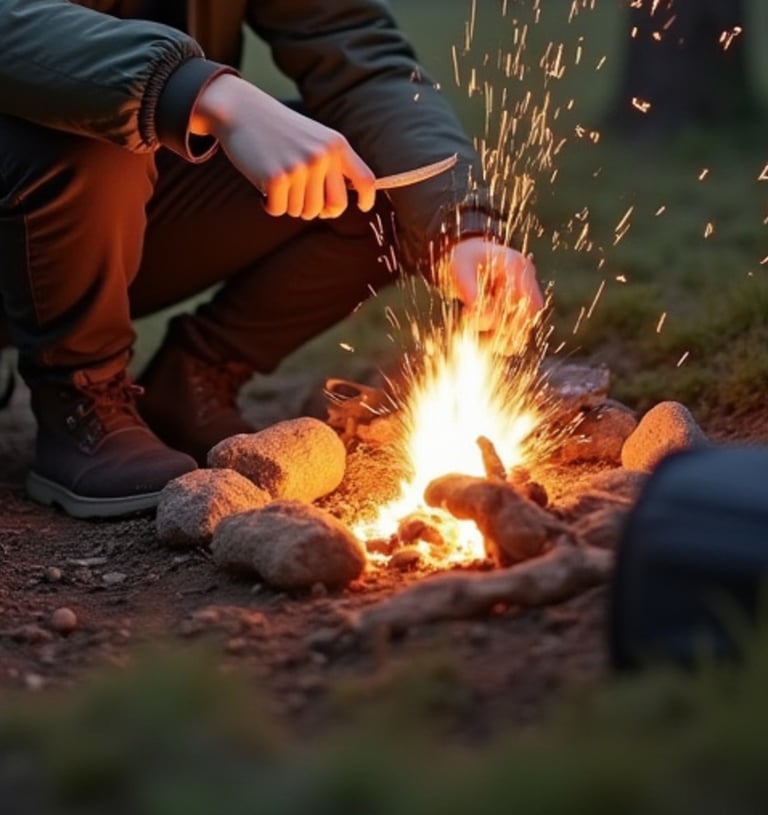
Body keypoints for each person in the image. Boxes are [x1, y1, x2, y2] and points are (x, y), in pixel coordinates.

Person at [0, 0, 543, 519]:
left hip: (126, 207)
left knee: (374, 177)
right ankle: (80, 392)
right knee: (92, 114)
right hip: (28, 200)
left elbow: (357, 51)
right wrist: (209, 94)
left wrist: (462, 227)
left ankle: (192, 379)